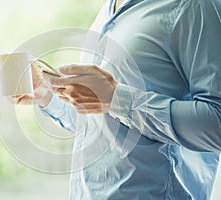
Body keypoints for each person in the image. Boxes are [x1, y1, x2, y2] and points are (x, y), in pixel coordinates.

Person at [15, 0, 221, 199]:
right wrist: (45, 94)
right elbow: (102, 123)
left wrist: (115, 99)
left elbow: (217, 124)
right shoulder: (107, 12)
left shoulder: (196, 5)